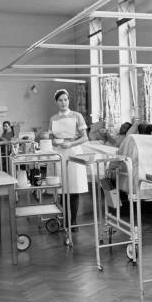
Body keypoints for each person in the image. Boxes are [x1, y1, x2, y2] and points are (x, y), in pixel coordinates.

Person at [50, 89, 89, 231]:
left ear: (69, 101)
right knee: (62, 188)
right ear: (56, 102)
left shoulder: (77, 116)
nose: (63, 102)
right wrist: (54, 142)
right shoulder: (53, 119)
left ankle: (73, 221)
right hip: (59, 153)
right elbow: (50, 138)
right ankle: (65, 220)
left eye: (65, 99)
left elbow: (85, 137)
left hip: (73, 152)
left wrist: (70, 144)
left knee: (74, 188)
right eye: (60, 100)